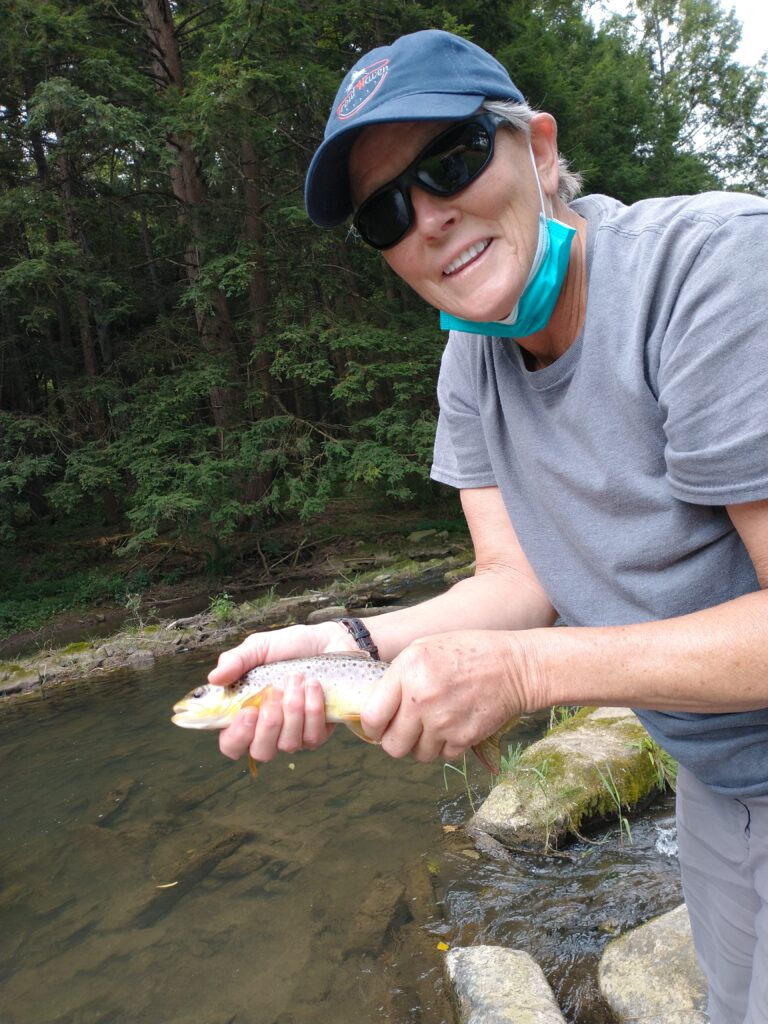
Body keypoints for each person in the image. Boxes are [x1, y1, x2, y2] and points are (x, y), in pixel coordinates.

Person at [208, 30, 768, 1023]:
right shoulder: (470, 361)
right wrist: (345, 643)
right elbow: (514, 583)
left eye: (453, 160)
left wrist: (521, 676)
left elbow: (525, 648)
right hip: (720, 780)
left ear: (540, 149)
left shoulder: (714, 276)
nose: (426, 216)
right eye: (385, 212)